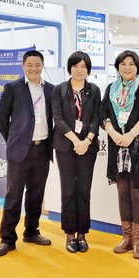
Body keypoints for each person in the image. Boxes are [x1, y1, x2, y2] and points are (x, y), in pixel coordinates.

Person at [0, 50, 54, 257]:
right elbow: (1, 117)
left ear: (42, 66)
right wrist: (13, 139)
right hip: (19, 150)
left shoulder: (51, 89)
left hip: (42, 149)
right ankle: (7, 239)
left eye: (37, 65)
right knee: (14, 195)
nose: (33, 68)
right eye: (29, 65)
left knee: (36, 195)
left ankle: (32, 232)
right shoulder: (13, 87)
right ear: (23, 66)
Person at [101, 50, 139, 259]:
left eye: (131, 64)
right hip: (117, 146)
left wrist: (130, 135)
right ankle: (127, 237)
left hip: (138, 146)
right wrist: (113, 133)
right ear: (118, 67)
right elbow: (103, 113)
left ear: (137, 67)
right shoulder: (111, 88)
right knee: (122, 194)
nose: (127, 67)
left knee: (138, 194)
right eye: (123, 63)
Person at [51, 51, 101, 253]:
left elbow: (96, 117)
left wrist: (87, 141)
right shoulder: (60, 89)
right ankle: (70, 234)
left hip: (88, 147)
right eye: (75, 66)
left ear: (88, 69)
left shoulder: (94, 90)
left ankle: (82, 234)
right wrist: (76, 141)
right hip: (65, 147)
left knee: (84, 190)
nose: (80, 70)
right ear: (69, 68)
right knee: (68, 190)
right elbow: (58, 119)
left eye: (83, 66)